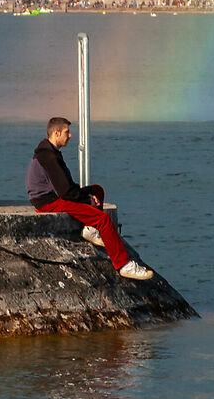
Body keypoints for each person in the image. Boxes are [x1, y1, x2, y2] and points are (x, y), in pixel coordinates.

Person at [27, 116, 153, 281]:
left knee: (97, 190)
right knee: (103, 219)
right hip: (48, 201)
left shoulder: (52, 152)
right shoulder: (48, 157)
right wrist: (87, 200)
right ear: (56, 133)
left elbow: (66, 185)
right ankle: (124, 265)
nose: (70, 135)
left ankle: (90, 230)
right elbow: (64, 192)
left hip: (55, 196)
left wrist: (88, 195)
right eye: (67, 132)